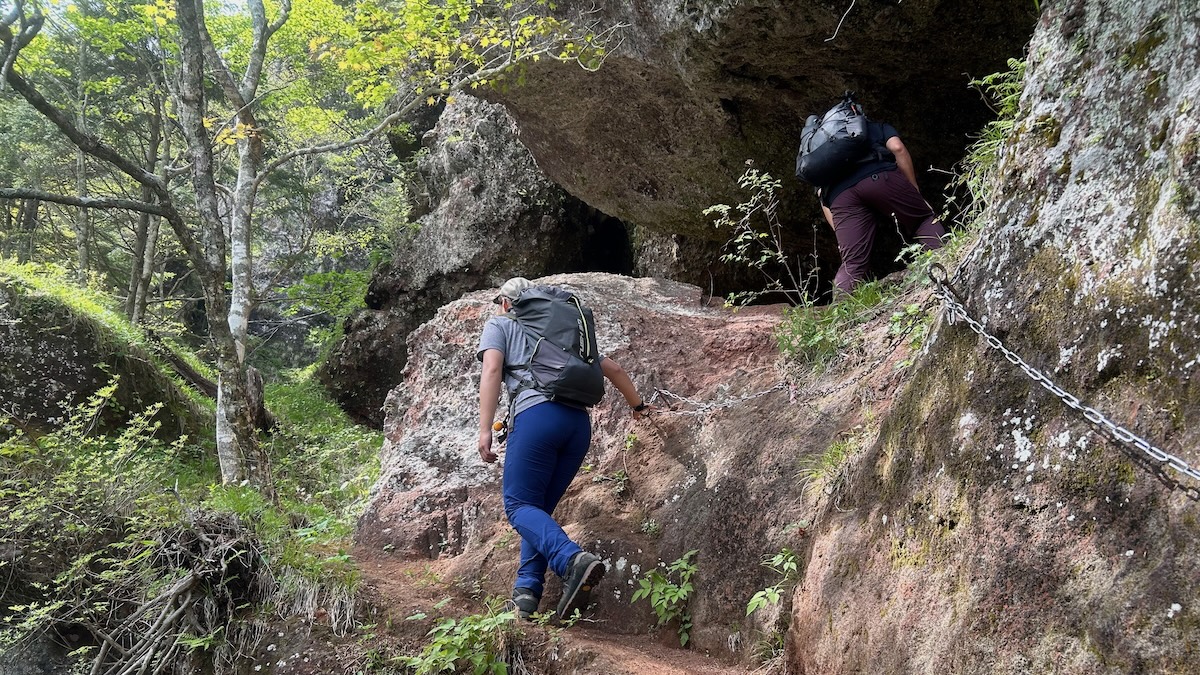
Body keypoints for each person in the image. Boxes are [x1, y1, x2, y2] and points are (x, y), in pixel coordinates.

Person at [476, 276, 648, 621]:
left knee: (519, 506)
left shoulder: (500, 325)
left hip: (538, 418)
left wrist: (484, 429)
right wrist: (639, 407)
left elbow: (492, 368)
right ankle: (526, 594)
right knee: (536, 511)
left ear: (508, 304)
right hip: (577, 426)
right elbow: (612, 368)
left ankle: (572, 560)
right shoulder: (567, 334)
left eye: (500, 303)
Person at [816, 114, 947, 295]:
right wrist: (914, 190)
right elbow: (897, 148)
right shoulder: (872, 127)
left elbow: (822, 194)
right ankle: (945, 268)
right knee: (922, 219)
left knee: (852, 262)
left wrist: (839, 233)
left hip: (841, 198)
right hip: (879, 178)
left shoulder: (821, 151)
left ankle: (842, 313)